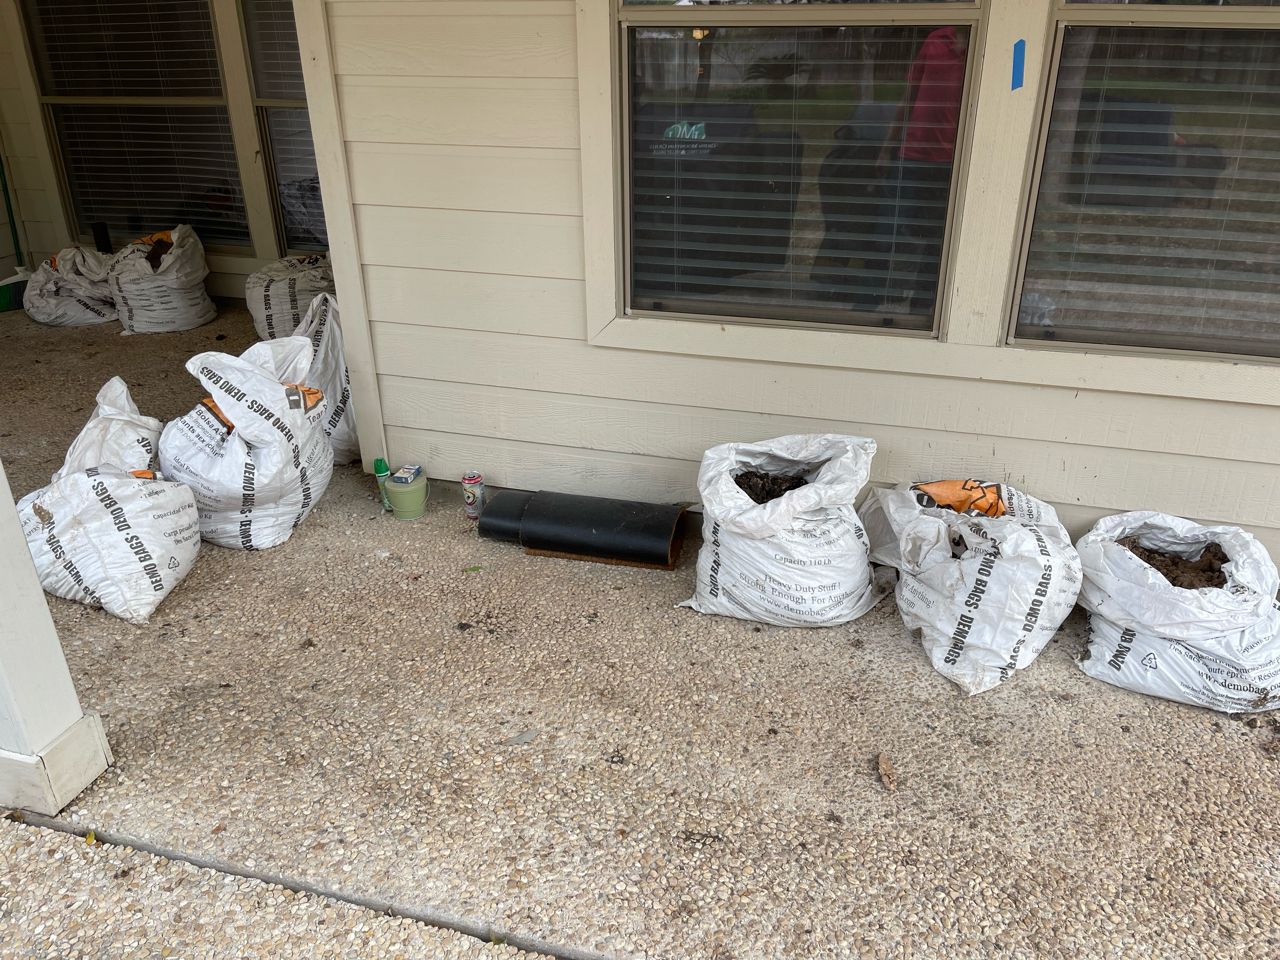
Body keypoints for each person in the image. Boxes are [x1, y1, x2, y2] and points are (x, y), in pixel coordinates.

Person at [876, 26, 968, 314]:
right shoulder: (936, 39)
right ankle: (872, 297)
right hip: (912, 155)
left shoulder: (991, 46)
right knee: (889, 227)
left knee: (938, 237)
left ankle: (922, 305)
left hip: (953, 161)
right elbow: (909, 97)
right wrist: (885, 150)